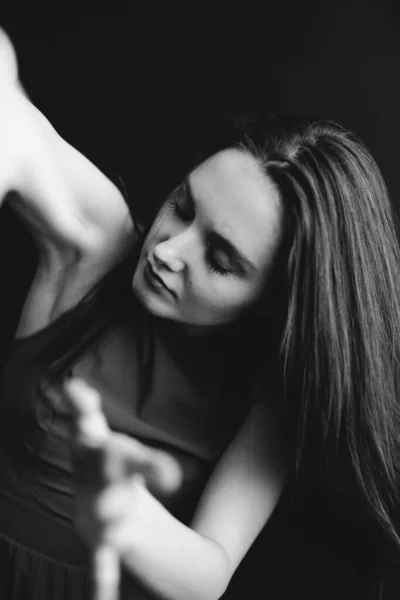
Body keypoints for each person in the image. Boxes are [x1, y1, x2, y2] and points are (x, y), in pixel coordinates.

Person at [0, 27, 400, 600]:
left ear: (275, 300)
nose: (166, 250)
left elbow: (208, 577)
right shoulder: (100, 245)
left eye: (219, 259)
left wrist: (128, 509)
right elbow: (13, 120)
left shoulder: (269, 400)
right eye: (182, 206)